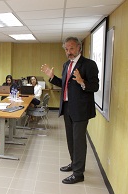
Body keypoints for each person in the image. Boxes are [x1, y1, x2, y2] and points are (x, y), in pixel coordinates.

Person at [41, 36, 99, 184]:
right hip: (67, 108)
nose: (69, 52)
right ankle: (75, 163)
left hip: (80, 110)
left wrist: (82, 82)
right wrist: (52, 77)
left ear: (79, 48)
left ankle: (78, 173)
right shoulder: (66, 64)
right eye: (66, 49)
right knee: (70, 140)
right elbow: (65, 84)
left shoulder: (89, 64)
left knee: (79, 141)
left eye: (71, 48)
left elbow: (95, 86)